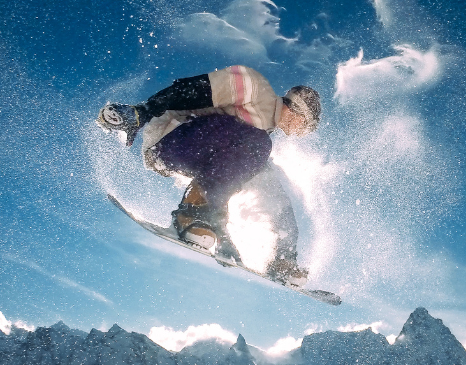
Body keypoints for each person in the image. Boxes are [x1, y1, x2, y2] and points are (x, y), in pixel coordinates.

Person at [97, 66, 320, 287]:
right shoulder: (255, 87)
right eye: (305, 126)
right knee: (259, 145)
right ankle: (192, 213)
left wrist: (222, 232)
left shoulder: (263, 130)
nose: (301, 133)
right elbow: (192, 89)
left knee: (272, 187)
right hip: (171, 141)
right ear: (298, 111)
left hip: (204, 152)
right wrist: (143, 111)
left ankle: (282, 259)